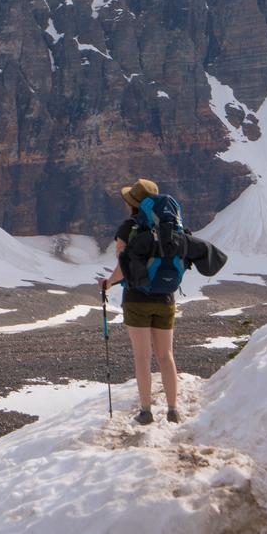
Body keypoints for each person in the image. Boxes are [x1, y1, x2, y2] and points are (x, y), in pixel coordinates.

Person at [97, 178, 181, 425]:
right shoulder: (170, 226)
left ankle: (146, 411)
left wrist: (108, 283)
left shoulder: (128, 228)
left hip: (137, 299)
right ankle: (173, 410)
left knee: (142, 356)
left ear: (133, 203)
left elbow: (123, 267)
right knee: (165, 355)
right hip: (165, 296)